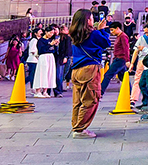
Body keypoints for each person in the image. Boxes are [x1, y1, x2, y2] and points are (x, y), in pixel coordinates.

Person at [69, 9, 110, 138]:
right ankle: (80, 129)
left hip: (76, 70)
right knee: (90, 99)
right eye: (92, 18)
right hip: (90, 69)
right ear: (88, 20)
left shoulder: (74, 34)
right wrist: (102, 30)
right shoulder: (93, 34)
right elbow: (106, 43)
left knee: (77, 101)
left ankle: (76, 125)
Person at [100, 22, 130, 94]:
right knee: (122, 77)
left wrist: (127, 60)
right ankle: (130, 93)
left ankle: (100, 92)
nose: (111, 32)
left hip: (120, 59)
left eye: (112, 30)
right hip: (118, 59)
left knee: (108, 75)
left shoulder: (123, 36)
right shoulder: (119, 36)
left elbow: (126, 48)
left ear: (117, 28)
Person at [129, 26, 148, 108]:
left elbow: (136, 51)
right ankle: (146, 101)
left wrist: (132, 63)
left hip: (142, 61)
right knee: (144, 82)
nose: (146, 34)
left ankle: (133, 99)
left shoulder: (142, 38)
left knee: (138, 80)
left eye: (147, 32)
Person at [33, 25, 59, 97]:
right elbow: (41, 50)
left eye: (52, 33)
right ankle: (38, 91)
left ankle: (45, 91)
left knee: (49, 73)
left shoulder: (51, 40)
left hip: (50, 57)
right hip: (43, 57)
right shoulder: (41, 40)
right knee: (42, 73)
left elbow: (54, 50)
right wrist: (50, 45)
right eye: (50, 33)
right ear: (46, 32)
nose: (51, 35)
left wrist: (55, 45)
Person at [54, 24, 71, 97]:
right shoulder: (60, 38)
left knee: (61, 74)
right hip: (60, 57)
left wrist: (66, 56)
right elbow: (67, 48)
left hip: (63, 57)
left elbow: (68, 48)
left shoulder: (66, 38)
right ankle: (58, 90)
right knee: (59, 74)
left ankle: (58, 89)